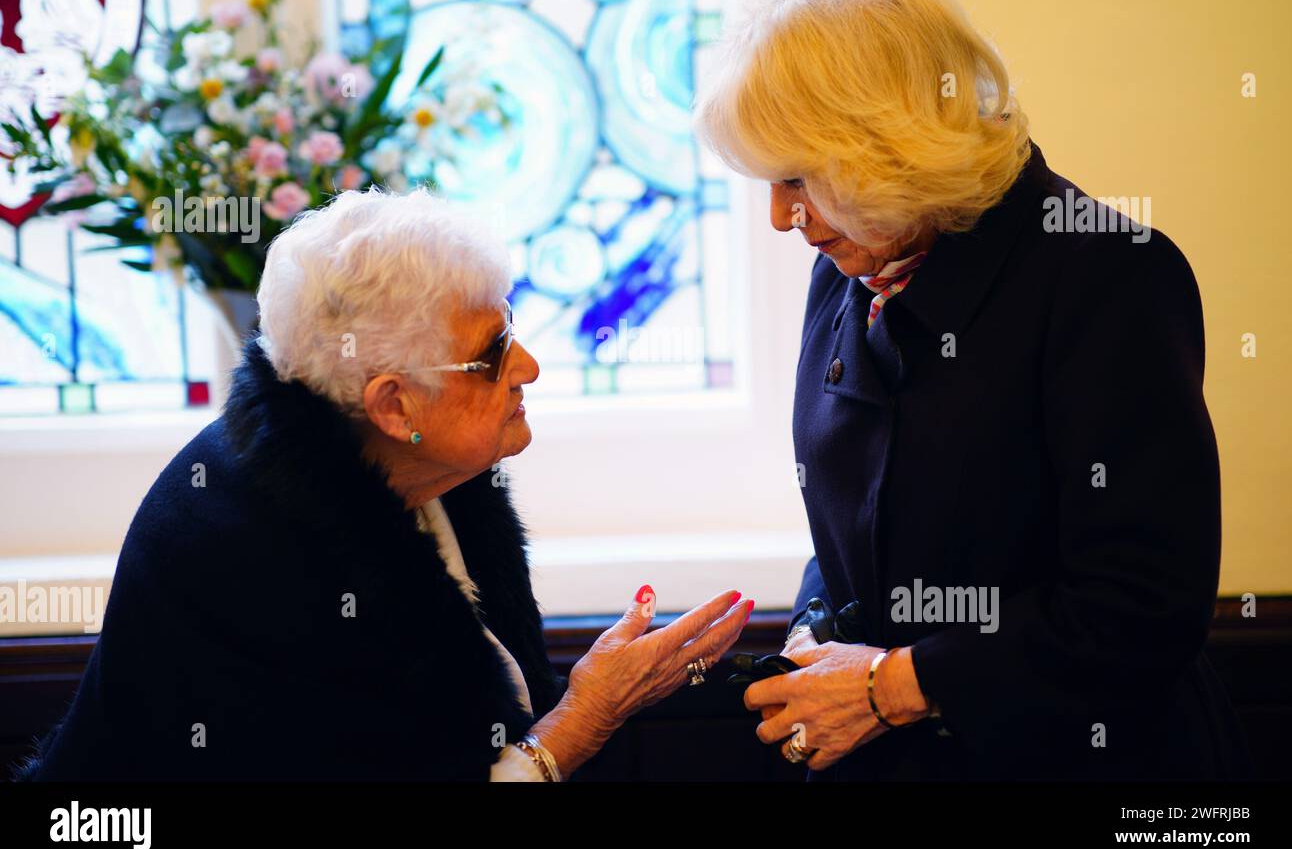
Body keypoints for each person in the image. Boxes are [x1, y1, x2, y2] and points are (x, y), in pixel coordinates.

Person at [694, 0, 1251, 780]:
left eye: (796, 178)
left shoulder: (1108, 274)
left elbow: (1142, 606)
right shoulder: (848, 273)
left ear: (889, 148)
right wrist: (819, 630)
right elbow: (856, 526)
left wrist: (895, 684)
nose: (780, 218)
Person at [16, 188, 752, 781]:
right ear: (394, 405)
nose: (528, 366)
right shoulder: (256, 558)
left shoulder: (427, 469)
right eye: (492, 353)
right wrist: (579, 721)